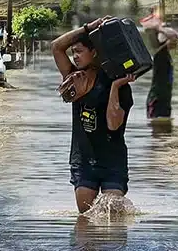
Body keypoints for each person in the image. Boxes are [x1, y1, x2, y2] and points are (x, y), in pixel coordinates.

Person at [51, 17, 136, 213]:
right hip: (84, 160)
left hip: (112, 161)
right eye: (73, 53)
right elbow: (56, 46)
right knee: (85, 219)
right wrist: (89, 27)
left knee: (113, 217)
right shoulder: (73, 79)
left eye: (80, 52)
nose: (76, 57)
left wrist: (115, 87)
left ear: (94, 52)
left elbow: (113, 125)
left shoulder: (117, 84)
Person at [141, 9, 178, 119]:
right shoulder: (158, 54)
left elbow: (174, 36)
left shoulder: (164, 55)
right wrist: (159, 28)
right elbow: (172, 36)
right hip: (157, 102)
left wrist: (160, 28)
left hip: (164, 100)